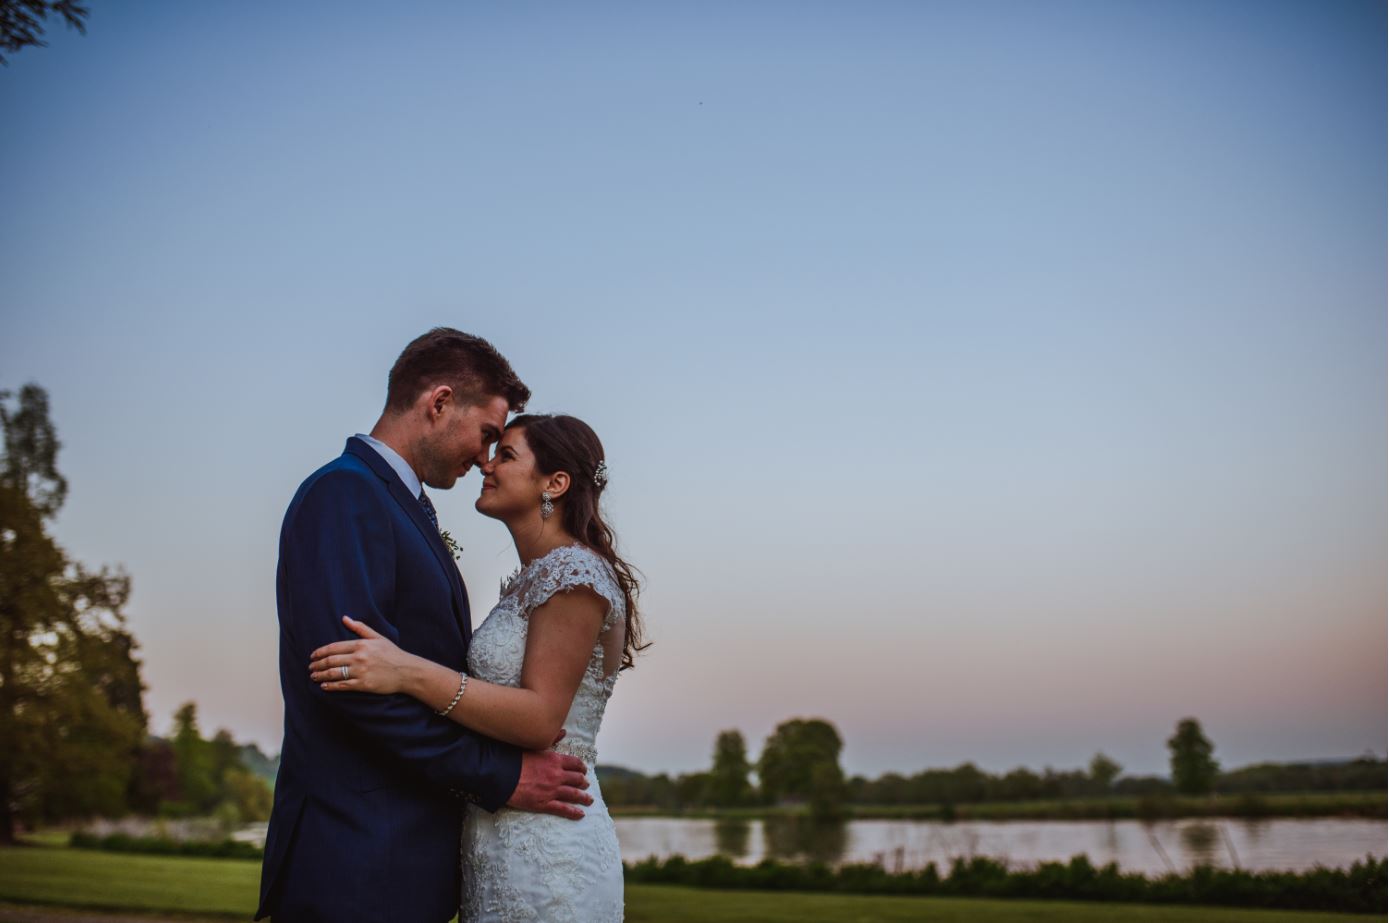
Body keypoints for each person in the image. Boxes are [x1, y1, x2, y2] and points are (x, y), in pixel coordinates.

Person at [256, 329, 594, 923]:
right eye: (487, 434)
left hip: (401, 860)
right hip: (353, 859)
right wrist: (499, 775)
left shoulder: (397, 504)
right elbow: (348, 682)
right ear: (438, 403)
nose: (486, 459)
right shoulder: (345, 494)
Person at [309, 412, 644, 922]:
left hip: (548, 844)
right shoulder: (534, 578)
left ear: (555, 483)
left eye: (506, 455)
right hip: (499, 831)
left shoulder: (573, 575)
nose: (485, 465)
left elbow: (540, 718)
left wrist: (406, 672)